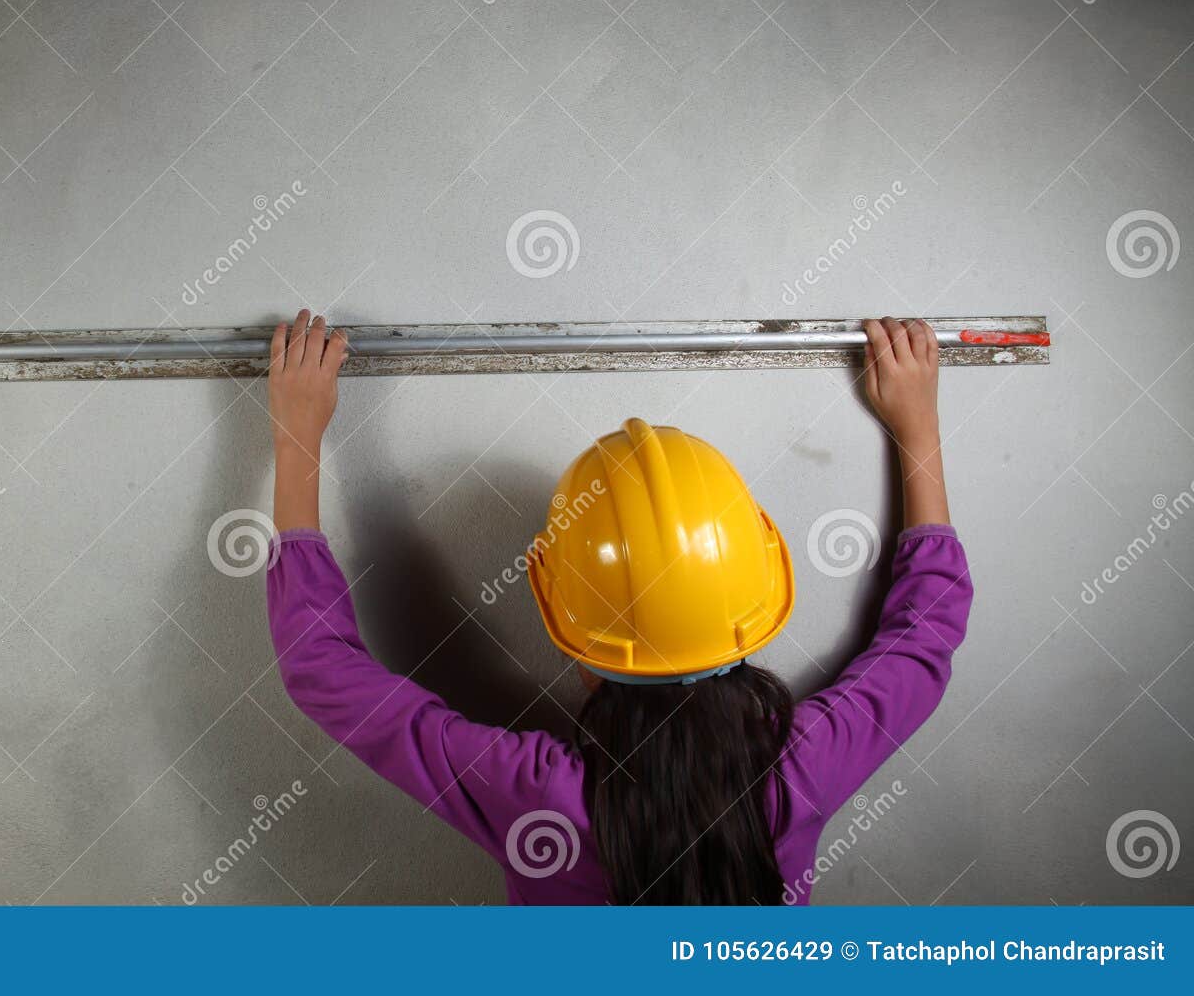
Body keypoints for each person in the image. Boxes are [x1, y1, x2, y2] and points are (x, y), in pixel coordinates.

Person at [264, 311, 971, 904]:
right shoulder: (800, 771)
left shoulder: (537, 794)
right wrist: (918, 424)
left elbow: (322, 669)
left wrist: (297, 435)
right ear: (758, 583)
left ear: (556, 609)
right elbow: (926, 632)